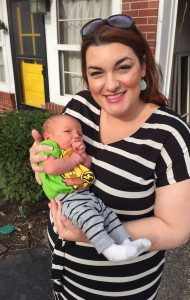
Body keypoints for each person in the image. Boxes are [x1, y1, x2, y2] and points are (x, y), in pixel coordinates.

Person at [29, 14, 190, 300]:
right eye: (96, 73)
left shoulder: (169, 134)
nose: (110, 85)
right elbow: (57, 168)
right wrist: (40, 162)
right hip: (64, 277)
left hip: (121, 290)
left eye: (123, 67)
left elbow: (176, 229)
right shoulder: (79, 107)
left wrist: (92, 233)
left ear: (143, 66)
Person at [38, 114, 151, 263]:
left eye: (79, 133)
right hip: (66, 199)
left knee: (108, 215)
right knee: (90, 218)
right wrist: (72, 159)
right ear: (48, 137)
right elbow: (51, 168)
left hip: (85, 195)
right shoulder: (50, 148)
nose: (76, 136)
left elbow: (86, 169)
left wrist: (82, 155)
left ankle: (126, 243)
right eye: (68, 132)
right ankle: (109, 250)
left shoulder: (72, 152)